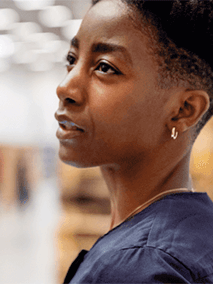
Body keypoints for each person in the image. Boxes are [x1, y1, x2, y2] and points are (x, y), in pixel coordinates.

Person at [55, 0, 213, 282]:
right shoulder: (199, 227)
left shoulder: (135, 267)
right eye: (71, 59)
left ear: (183, 110)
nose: (65, 87)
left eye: (104, 67)